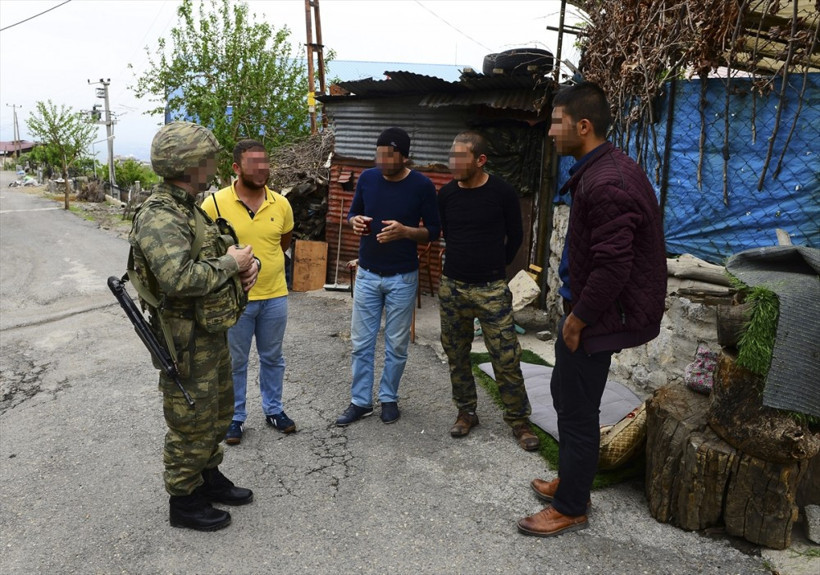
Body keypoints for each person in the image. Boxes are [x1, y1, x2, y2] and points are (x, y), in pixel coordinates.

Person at [517, 82, 666, 537]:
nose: (549, 132)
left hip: (595, 316)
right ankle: (573, 480)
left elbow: (613, 267)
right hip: (587, 310)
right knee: (566, 396)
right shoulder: (600, 169)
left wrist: (577, 320)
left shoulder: (606, 182)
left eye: (556, 122)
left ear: (582, 126)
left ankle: (571, 506)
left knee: (578, 411)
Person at [129, 121, 257, 531]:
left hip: (209, 332)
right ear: (188, 165)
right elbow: (178, 278)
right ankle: (184, 500)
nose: (214, 166)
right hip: (184, 339)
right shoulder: (160, 216)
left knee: (217, 412)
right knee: (190, 421)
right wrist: (231, 264)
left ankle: (207, 475)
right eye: (209, 160)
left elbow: (210, 256)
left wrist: (244, 269)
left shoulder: (188, 208)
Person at [437, 131, 540, 452]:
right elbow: (448, 232)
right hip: (452, 287)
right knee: (456, 354)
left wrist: (496, 266)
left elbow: (516, 236)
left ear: (480, 160)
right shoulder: (446, 194)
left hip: (492, 289)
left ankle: (519, 420)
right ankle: (466, 412)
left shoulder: (502, 192)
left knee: (506, 356)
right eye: (452, 155)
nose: (453, 162)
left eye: (461, 157)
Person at [336, 127, 441, 426]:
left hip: (402, 278)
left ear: (404, 157)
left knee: (396, 344)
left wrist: (406, 231)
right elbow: (352, 213)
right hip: (368, 274)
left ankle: (389, 398)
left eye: (389, 155)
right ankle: (360, 402)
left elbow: (434, 231)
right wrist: (355, 221)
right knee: (361, 343)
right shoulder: (367, 178)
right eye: (379, 154)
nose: (381, 160)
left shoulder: (422, 185)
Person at [201, 140, 295, 445]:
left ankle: (274, 410)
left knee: (273, 357)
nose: (261, 169)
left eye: (264, 162)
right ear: (236, 168)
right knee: (234, 361)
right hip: (234, 300)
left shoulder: (281, 204)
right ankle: (235, 417)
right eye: (253, 163)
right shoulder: (214, 204)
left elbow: (282, 243)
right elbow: (205, 251)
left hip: (274, 296)